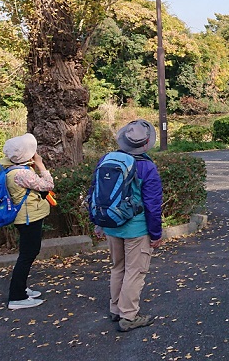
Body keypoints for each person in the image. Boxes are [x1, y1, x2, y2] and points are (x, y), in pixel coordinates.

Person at [93, 120, 163, 332]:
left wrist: (98, 223)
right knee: (135, 271)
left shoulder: (107, 160)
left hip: (111, 224)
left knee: (117, 267)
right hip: (136, 228)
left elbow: (95, 193)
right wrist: (156, 233)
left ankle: (116, 309)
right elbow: (152, 204)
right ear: (147, 143)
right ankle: (129, 316)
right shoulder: (147, 167)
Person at [1, 133, 54, 310]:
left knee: (28, 253)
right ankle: (17, 297)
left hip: (26, 217)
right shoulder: (22, 173)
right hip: (28, 218)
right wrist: (40, 164)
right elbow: (48, 185)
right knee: (27, 255)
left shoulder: (13, 168)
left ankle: (21, 289)